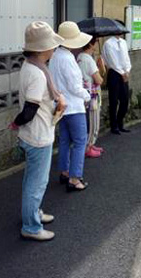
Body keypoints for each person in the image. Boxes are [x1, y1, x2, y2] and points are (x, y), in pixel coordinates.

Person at [9, 21, 65, 242]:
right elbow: (30, 108)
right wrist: (16, 122)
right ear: (43, 49)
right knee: (36, 183)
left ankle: (32, 214)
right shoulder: (38, 74)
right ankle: (31, 226)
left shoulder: (29, 66)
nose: (54, 49)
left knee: (31, 181)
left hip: (32, 134)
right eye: (52, 45)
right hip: (38, 136)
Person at [49, 21, 92, 192]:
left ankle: (65, 172)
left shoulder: (55, 56)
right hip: (74, 106)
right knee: (80, 141)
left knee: (65, 141)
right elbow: (75, 87)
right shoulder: (68, 59)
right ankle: (74, 178)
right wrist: (87, 95)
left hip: (61, 106)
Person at [78, 37, 105, 157]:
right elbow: (99, 80)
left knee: (88, 121)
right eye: (96, 42)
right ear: (90, 44)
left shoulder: (79, 57)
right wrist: (101, 67)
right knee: (93, 122)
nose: (97, 44)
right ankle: (88, 147)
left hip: (84, 93)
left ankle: (90, 145)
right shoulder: (88, 59)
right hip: (92, 95)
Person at [102, 33, 131, 135]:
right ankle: (114, 126)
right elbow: (111, 60)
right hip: (114, 72)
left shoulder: (123, 42)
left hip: (124, 73)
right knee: (113, 101)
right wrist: (121, 72)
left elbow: (126, 58)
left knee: (125, 99)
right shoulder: (108, 43)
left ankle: (120, 123)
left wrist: (127, 70)